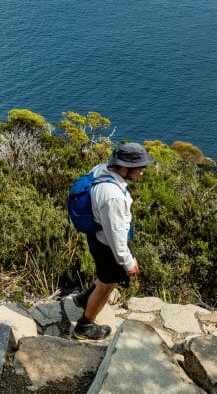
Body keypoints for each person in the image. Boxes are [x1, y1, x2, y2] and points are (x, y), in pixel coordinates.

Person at [72, 142, 153, 341]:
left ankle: (84, 298)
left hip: (97, 236)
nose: (142, 171)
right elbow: (116, 236)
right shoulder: (113, 197)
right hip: (107, 245)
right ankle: (85, 326)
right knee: (107, 285)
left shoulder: (101, 170)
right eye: (139, 167)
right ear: (124, 167)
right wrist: (128, 262)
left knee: (104, 274)